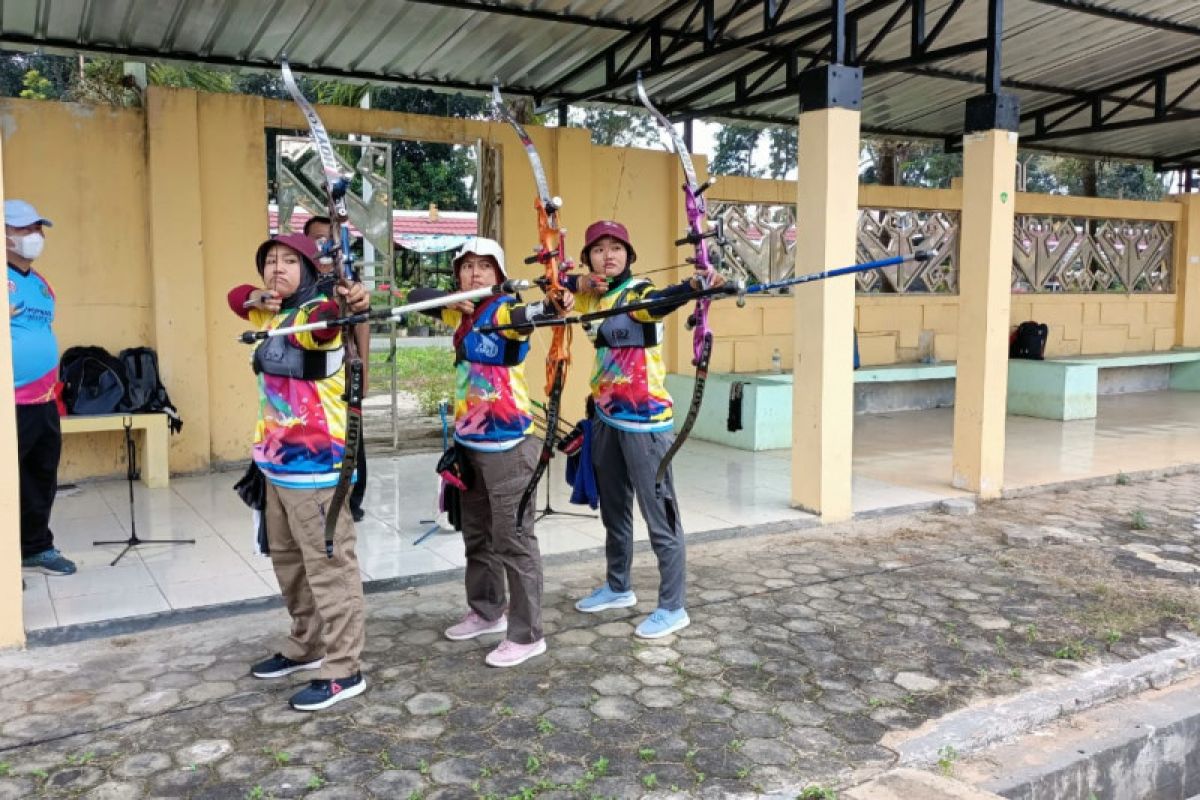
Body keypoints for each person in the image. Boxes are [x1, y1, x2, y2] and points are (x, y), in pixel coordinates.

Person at [408, 237, 569, 668]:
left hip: (510, 447)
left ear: (498, 275)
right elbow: (413, 297)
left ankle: (527, 633)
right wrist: (451, 300)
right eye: (467, 267)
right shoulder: (459, 310)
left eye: (484, 267)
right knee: (476, 535)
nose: (474, 274)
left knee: (513, 541)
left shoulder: (503, 311)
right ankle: (486, 610)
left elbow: (531, 314)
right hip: (469, 444)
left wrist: (554, 302)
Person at [228, 232, 371, 711]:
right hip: (276, 467)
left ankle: (344, 668)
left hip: (318, 472)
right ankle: (306, 643)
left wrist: (349, 299)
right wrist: (254, 295)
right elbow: (234, 298)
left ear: (311, 270)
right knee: (289, 566)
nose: (277, 268)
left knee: (330, 570)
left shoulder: (314, 314)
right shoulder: (270, 311)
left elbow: (332, 324)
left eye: (290, 260)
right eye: (269, 261)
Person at [569, 220, 724, 639]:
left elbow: (658, 302)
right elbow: (556, 284)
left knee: (660, 514)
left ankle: (673, 606)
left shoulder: (638, 292)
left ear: (629, 255)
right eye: (598, 249)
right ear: (589, 260)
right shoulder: (587, 296)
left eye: (616, 247)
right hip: (604, 416)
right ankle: (618, 586)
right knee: (614, 510)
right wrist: (577, 278)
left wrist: (696, 285)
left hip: (644, 422)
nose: (609, 255)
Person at [7, 199, 75, 577]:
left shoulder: (40, 284)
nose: (35, 236)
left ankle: (35, 548)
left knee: (40, 476)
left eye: (38, 228)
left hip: (44, 398)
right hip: (9, 402)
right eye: (24, 229)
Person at [303, 215, 369, 523]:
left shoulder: (348, 283)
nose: (324, 246)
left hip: (342, 376)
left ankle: (352, 498)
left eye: (330, 240)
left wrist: (363, 375)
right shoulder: (301, 282)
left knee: (352, 438)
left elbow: (362, 328)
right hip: (308, 380)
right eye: (317, 239)